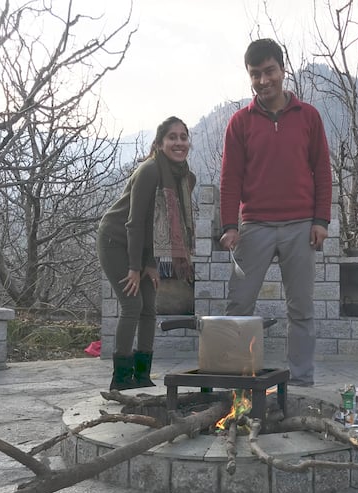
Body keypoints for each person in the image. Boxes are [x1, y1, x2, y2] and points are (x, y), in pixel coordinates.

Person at [219, 38, 332, 387]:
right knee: (239, 304)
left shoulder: (309, 117)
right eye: (255, 74)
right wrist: (229, 226)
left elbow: (322, 171)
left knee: (301, 309)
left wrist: (321, 220)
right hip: (255, 225)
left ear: (283, 70)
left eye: (269, 71)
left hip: (301, 225)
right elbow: (230, 178)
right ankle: (234, 378)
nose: (263, 80)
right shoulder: (240, 123)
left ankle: (301, 379)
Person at [97, 116, 195, 390]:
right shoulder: (150, 170)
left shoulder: (181, 176)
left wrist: (151, 263)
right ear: (160, 143)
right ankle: (121, 378)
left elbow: (158, 224)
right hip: (116, 241)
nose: (179, 142)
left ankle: (142, 376)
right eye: (172, 137)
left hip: (142, 246)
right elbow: (136, 222)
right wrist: (134, 267)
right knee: (132, 305)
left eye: (183, 137)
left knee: (149, 308)